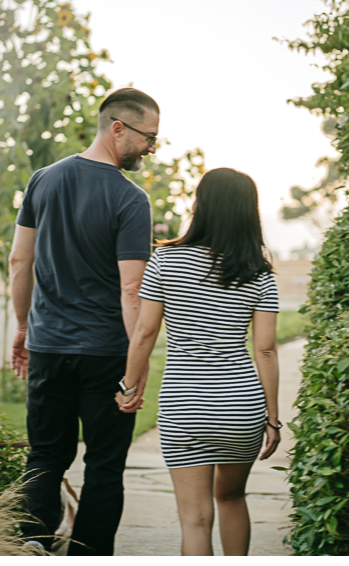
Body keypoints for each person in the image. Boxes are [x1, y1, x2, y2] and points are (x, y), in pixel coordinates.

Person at [9, 87, 161, 556]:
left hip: (50, 347)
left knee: (46, 455)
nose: (152, 148)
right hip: (106, 355)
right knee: (104, 467)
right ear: (118, 128)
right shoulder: (130, 200)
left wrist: (23, 329)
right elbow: (132, 290)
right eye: (148, 137)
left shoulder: (43, 181)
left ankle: (31, 542)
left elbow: (19, 261)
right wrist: (135, 371)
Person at [115, 167, 281, 556]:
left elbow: (144, 333)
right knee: (232, 499)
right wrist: (272, 419)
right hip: (241, 406)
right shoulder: (259, 271)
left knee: (194, 519)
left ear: (200, 206)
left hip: (185, 406)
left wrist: (128, 386)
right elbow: (266, 351)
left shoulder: (166, 260)